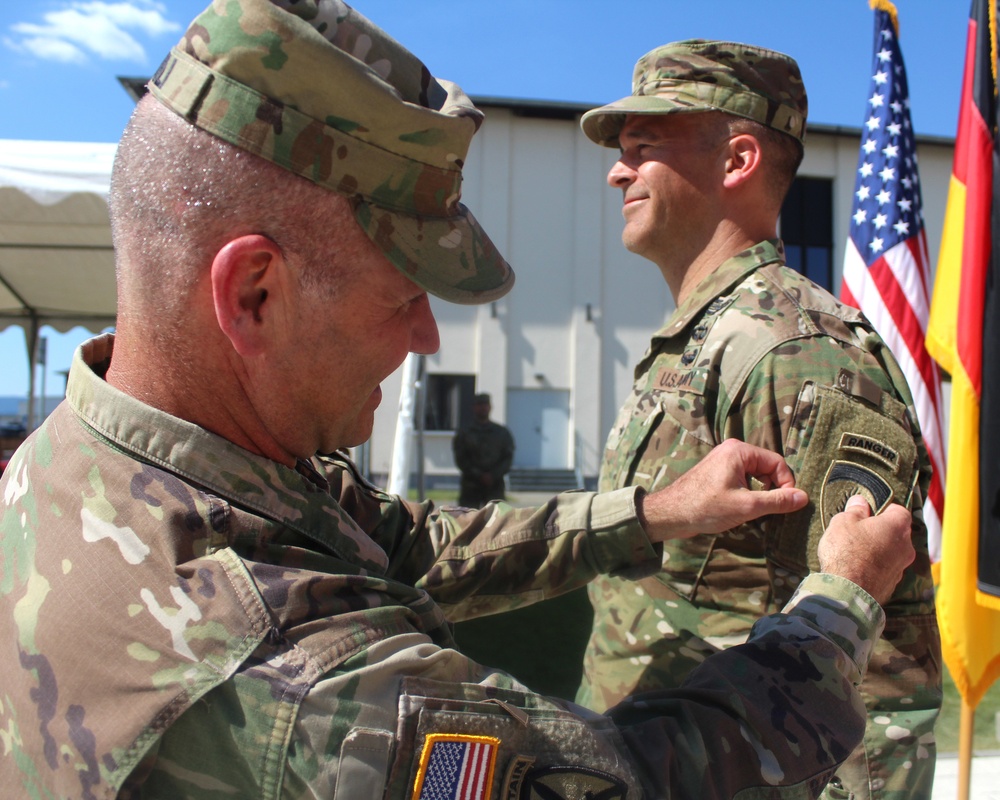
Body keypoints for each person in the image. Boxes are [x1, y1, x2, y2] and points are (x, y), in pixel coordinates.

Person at [0, 5, 915, 798]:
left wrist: (648, 512)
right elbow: (610, 782)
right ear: (254, 296)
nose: (427, 338)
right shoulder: (285, 667)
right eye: (403, 295)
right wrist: (838, 604)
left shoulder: (74, 462)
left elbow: (407, 546)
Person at [575, 39, 941, 800]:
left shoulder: (794, 350)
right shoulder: (709, 337)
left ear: (737, 159)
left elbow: (875, 662)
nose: (617, 169)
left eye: (643, 147)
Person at [452, 392, 515, 507]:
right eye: (479, 405)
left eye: (485, 404)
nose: (483, 408)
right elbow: (460, 458)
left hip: (495, 486)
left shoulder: (501, 432)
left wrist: (493, 475)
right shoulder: (464, 432)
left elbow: (508, 457)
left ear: (490, 407)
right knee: (469, 521)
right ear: (474, 407)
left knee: (496, 522)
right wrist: (479, 475)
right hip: (471, 486)